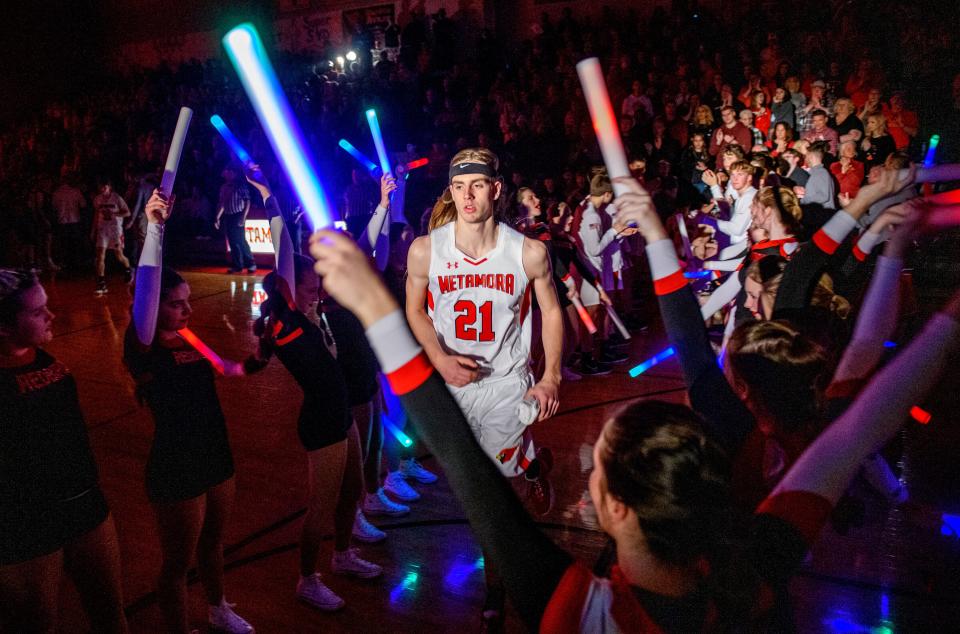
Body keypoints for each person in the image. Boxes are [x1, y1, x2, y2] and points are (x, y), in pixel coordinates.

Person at [307, 213, 960, 631]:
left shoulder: (575, 610)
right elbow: (862, 422)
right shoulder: (753, 574)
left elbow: (461, 462)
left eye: (595, 467)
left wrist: (373, 308)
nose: (586, 470)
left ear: (614, 509)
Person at [405, 147, 562, 626]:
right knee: (475, 483)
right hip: (453, 386)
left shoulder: (528, 251)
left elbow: (552, 311)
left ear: (495, 189)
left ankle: (497, 587)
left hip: (505, 384)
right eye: (458, 186)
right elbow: (413, 310)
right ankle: (535, 465)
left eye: (476, 185)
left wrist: (551, 374)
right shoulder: (426, 249)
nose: (466, 196)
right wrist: (437, 357)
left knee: (494, 497)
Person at [124, 191, 256, 633]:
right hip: (176, 464)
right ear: (152, 306)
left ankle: (218, 608)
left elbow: (230, 370)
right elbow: (144, 286)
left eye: (186, 301)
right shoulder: (142, 346)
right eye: (176, 303)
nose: (187, 309)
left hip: (215, 452)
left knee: (214, 545)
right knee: (177, 563)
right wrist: (155, 227)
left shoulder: (190, 339)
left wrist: (260, 355)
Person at [1, 269, 127, 633]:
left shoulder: (45, 360)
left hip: (85, 503)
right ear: (4, 328)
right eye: (38, 312)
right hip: (26, 520)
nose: (51, 316)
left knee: (109, 610)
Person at [91, 180, 132, 295]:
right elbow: (96, 215)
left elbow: (127, 213)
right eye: (100, 187)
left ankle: (128, 269)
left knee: (119, 255)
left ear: (109, 187)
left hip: (115, 230)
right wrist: (93, 230)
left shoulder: (117, 198)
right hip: (103, 229)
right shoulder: (97, 199)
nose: (102, 189)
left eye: (104, 187)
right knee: (100, 256)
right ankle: (101, 283)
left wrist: (114, 214)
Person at [213, 165, 255, 275]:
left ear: (233, 173)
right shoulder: (224, 187)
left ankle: (251, 263)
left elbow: (247, 202)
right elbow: (222, 203)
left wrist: (243, 217)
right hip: (229, 215)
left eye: (228, 171)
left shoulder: (240, 186)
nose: (225, 173)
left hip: (238, 214)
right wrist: (217, 217)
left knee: (240, 240)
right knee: (232, 241)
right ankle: (238, 265)